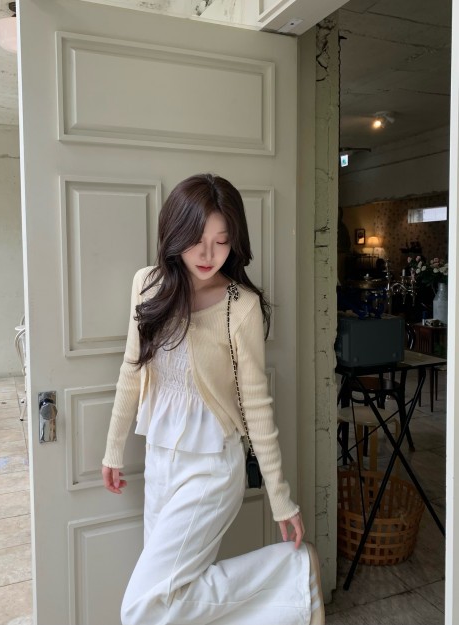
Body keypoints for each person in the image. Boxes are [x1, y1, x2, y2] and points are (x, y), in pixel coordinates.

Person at [102, 173, 324, 625]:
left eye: (221, 242)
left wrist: (281, 498)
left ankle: (295, 573)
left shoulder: (240, 305)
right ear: (174, 234)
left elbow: (256, 406)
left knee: (142, 609)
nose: (208, 255)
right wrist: (113, 448)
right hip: (160, 458)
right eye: (196, 241)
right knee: (168, 602)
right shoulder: (147, 284)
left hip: (212, 467)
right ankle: (293, 586)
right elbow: (131, 369)